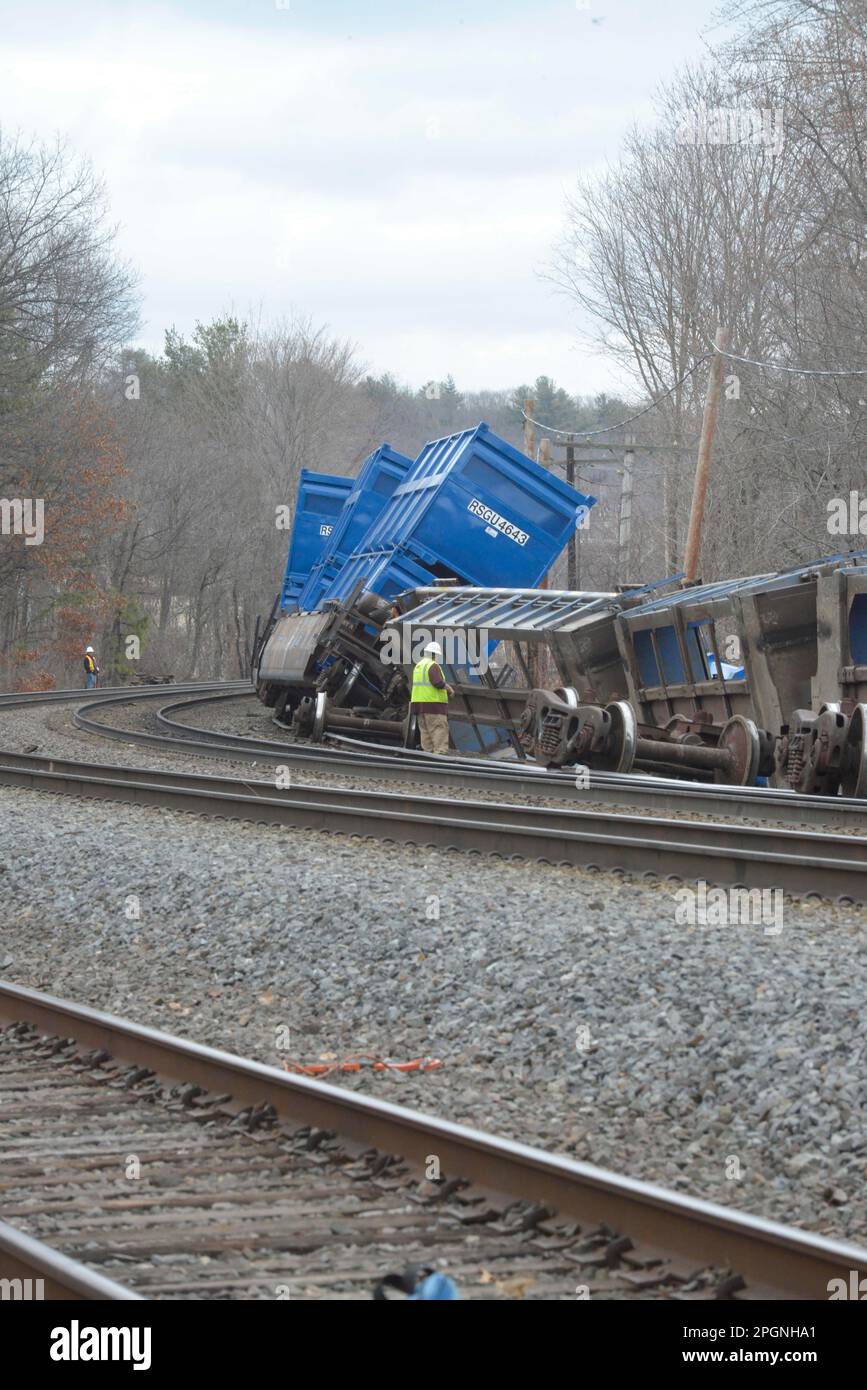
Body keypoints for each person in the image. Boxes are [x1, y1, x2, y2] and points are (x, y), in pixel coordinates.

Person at [410, 641, 453, 754]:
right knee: (438, 730)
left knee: (425, 733)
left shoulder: (418, 666)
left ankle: (428, 756)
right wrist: (449, 689)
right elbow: (437, 682)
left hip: (419, 706)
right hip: (433, 706)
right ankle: (440, 757)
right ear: (434, 654)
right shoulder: (432, 665)